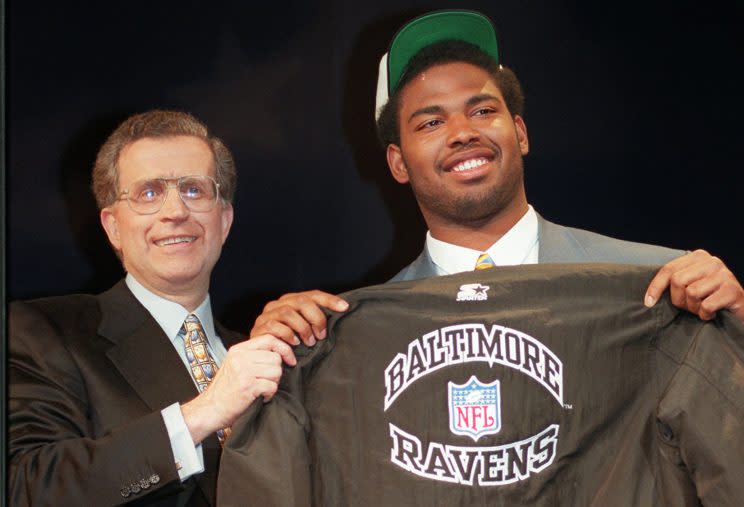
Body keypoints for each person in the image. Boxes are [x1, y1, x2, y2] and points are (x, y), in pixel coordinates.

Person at [249, 9, 744, 346]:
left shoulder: (661, 284)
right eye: (431, 122)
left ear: (521, 132)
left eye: (483, 109)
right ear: (398, 163)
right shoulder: (360, 333)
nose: (463, 133)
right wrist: (286, 352)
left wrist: (738, 323)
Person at [8, 110, 296, 506]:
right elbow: (30, 487)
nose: (176, 211)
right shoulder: (44, 332)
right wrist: (204, 412)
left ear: (224, 220)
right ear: (112, 226)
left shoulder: (260, 356)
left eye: (194, 190)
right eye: (149, 193)